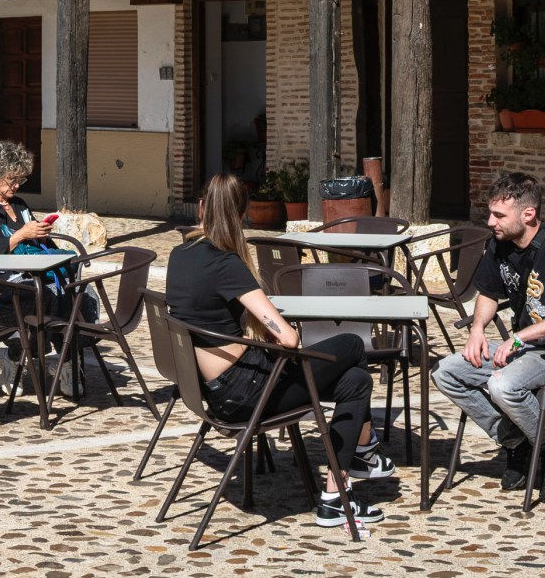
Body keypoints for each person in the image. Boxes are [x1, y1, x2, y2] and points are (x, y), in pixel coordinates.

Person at [166, 173, 391, 529]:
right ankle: (362, 453)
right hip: (247, 392)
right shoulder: (226, 264)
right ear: (242, 215)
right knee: (350, 345)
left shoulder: (180, 255)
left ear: (201, 208)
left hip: (215, 390)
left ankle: (339, 490)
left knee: (355, 381)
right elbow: (288, 339)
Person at [429, 171, 545, 503]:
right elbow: (488, 292)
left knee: (502, 385)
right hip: (526, 351)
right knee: (446, 372)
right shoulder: (500, 244)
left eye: (499, 215)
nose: (491, 222)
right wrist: (477, 331)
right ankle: (516, 441)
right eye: (491, 214)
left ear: (528, 214)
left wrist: (518, 339)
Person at [0, 140, 92, 392]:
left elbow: (37, 244)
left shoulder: (20, 205)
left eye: (19, 180)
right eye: (11, 180)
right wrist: (20, 235)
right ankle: (15, 357)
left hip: (39, 275)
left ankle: (66, 360)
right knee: (38, 296)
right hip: (6, 283)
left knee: (80, 294)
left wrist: (41, 233)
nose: (16, 186)